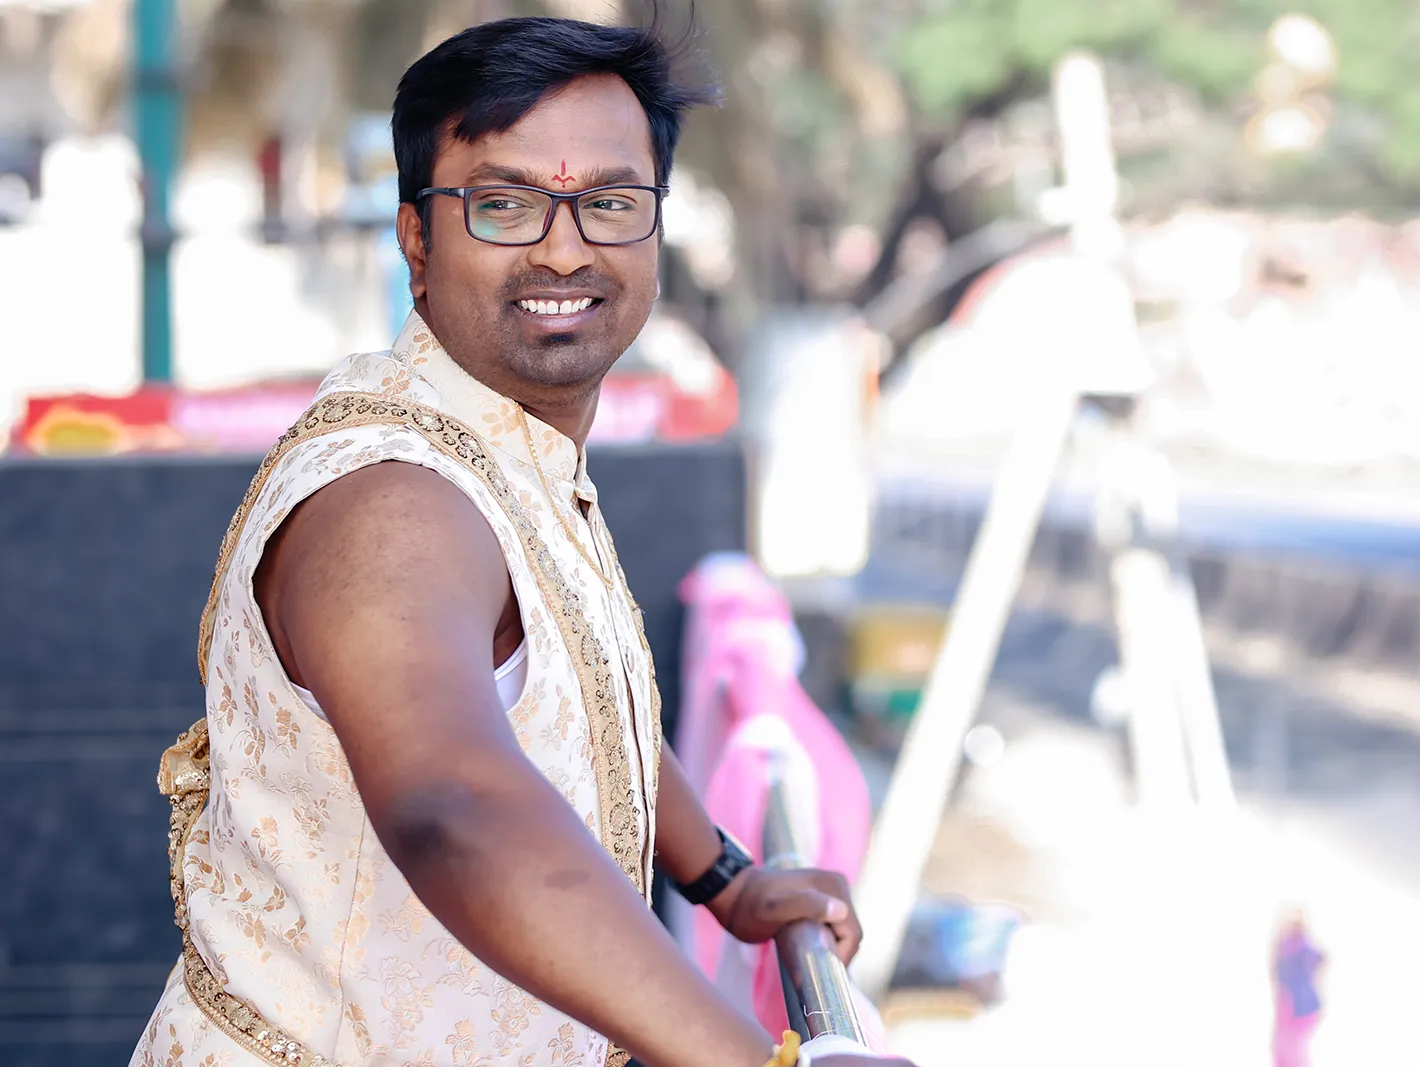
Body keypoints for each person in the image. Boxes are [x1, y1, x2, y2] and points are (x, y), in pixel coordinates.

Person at [130, 17, 912, 1067]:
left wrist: (725, 876)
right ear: (417, 239)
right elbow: (455, 803)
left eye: (610, 202)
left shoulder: (510, 447)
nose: (564, 247)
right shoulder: (390, 498)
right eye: (503, 205)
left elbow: (577, 696)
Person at [1271, 909, 1327, 1067]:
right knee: (1288, 1047)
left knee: (1292, 1048)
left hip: (1300, 1006)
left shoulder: (1299, 946)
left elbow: (1321, 958)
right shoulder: (1288, 946)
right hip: (1292, 1004)